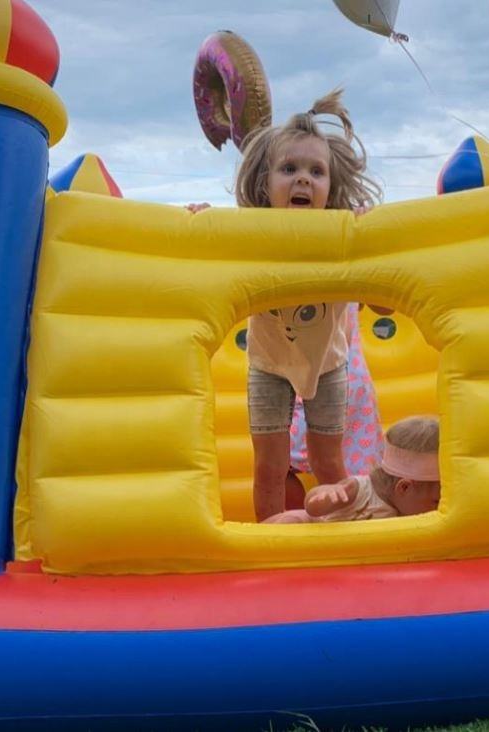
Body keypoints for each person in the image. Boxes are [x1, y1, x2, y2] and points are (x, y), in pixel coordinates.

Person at [187, 89, 381, 522]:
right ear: (265, 183)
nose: (303, 180)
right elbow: (208, 260)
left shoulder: (341, 239)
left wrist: (370, 243)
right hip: (269, 365)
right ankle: (271, 537)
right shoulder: (254, 238)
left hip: (328, 365)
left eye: (316, 171)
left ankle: (344, 530)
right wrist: (201, 223)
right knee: (269, 467)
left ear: (331, 187)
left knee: (329, 463)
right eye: (289, 169)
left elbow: (383, 305)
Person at [264, 415, 441, 524]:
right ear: (404, 487)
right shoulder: (358, 490)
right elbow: (312, 508)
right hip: (305, 530)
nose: (439, 508)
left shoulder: (404, 509)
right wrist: (325, 493)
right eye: (436, 501)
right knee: (290, 521)